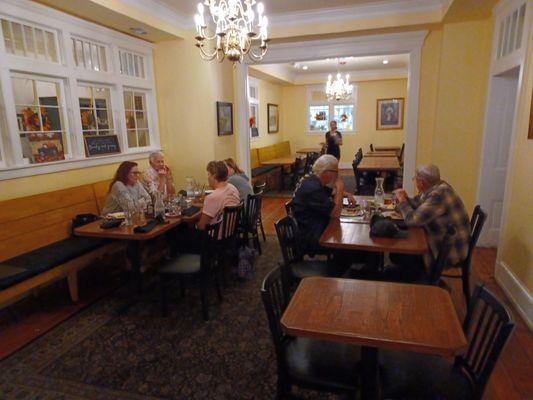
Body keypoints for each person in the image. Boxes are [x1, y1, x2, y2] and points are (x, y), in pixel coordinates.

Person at [392, 164, 471, 275]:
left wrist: (403, 202)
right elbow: (420, 205)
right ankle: (410, 276)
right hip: (443, 241)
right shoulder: (437, 186)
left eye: (415, 179)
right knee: (400, 247)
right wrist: (405, 199)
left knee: (397, 254)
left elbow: (412, 220)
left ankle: (418, 281)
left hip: (449, 251)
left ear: (422, 182)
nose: (414, 182)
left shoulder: (438, 195)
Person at [291, 154, 355, 257]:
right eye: (336, 172)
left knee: (348, 242)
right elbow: (335, 213)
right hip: (313, 236)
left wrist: (347, 194)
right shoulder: (313, 188)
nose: (337, 175)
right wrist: (340, 187)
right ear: (326, 172)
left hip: (314, 226)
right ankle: (338, 270)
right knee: (348, 245)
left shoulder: (312, 180)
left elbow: (331, 192)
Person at [197, 161, 241, 230]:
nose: (207, 177)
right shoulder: (233, 188)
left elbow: (202, 226)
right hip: (231, 233)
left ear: (214, 176)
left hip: (215, 238)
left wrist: (195, 225)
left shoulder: (213, 197)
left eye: (208, 174)